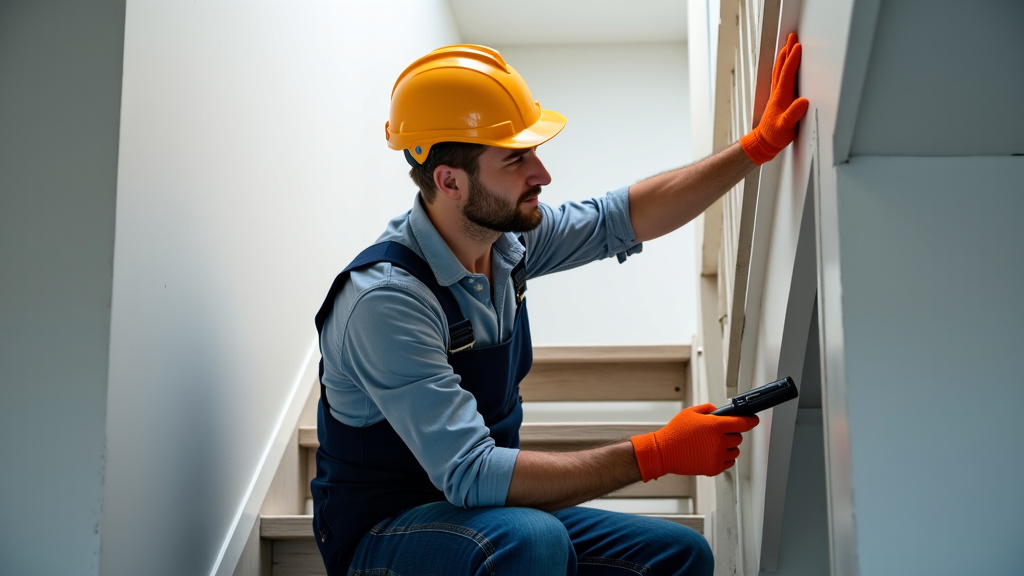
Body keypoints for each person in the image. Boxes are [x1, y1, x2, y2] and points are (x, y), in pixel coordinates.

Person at [312, 35, 808, 576]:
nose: (542, 175)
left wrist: (755, 148)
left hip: (486, 515)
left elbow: (621, 217)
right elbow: (471, 473)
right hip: (385, 530)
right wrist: (657, 453)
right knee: (533, 538)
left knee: (680, 554)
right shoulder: (386, 300)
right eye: (515, 159)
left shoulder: (508, 243)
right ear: (449, 181)